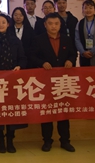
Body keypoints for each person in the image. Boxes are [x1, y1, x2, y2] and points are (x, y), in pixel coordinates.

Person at [30, 13, 77, 153]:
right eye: (50, 24)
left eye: (56, 23)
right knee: (47, 112)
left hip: (62, 81)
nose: (53, 26)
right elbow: (32, 56)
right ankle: (47, 141)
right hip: (45, 81)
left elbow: (73, 54)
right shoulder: (38, 39)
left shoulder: (67, 39)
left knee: (63, 112)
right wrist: (42, 63)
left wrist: (70, 61)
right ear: (45, 25)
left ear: (60, 25)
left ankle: (65, 141)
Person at [0, 14, 28, 153]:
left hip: (12, 82)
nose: (1, 25)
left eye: (3, 22)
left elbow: (23, 58)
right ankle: (0, 140)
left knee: (11, 112)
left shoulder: (15, 40)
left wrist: (19, 66)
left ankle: (10, 140)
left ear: (8, 24)